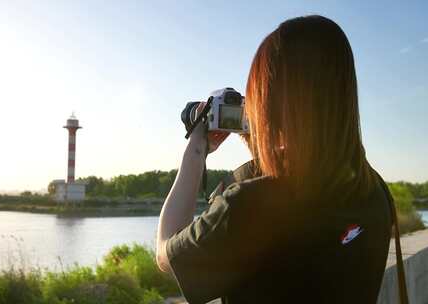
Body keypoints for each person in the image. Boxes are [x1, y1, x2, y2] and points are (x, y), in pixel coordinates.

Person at [155, 15, 392, 304]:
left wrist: (196, 148)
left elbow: (167, 253)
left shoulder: (248, 206)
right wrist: (261, 140)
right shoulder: (373, 192)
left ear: (272, 102)